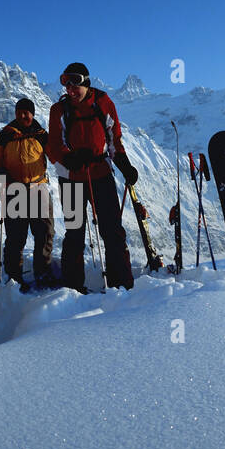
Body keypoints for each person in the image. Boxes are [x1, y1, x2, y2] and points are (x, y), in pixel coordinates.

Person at [46, 62, 138, 291]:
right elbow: (54, 146)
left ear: (86, 81)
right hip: (70, 177)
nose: (69, 89)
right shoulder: (59, 110)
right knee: (75, 233)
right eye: (65, 83)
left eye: (74, 82)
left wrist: (125, 165)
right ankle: (73, 287)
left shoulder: (102, 103)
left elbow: (113, 138)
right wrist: (71, 158)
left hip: (100, 174)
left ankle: (121, 286)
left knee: (112, 231)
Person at [0, 98, 55, 288]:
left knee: (45, 233)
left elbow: (55, 154)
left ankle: (43, 272)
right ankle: (14, 277)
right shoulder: (5, 135)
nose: (22, 115)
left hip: (38, 187)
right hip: (14, 189)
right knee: (16, 236)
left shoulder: (41, 135)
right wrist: (0, 174)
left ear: (32, 114)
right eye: (19, 112)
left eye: (26, 112)